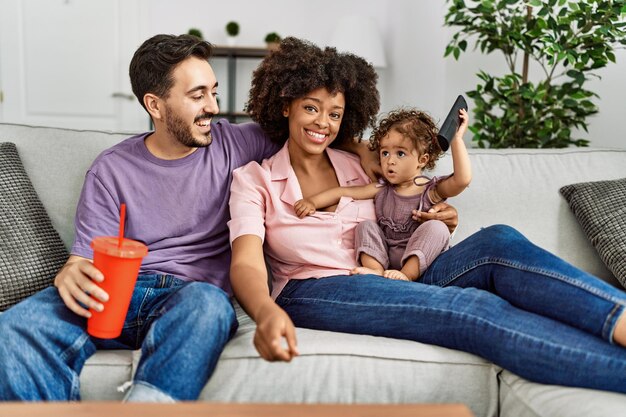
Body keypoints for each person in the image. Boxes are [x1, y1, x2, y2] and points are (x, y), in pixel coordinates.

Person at [0, 33, 391, 402]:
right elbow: (84, 259)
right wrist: (71, 269)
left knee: (208, 305)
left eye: (214, 92)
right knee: (13, 329)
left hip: (191, 297)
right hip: (118, 293)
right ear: (155, 105)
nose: (214, 107)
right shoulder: (110, 169)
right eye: (198, 95)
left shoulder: (238, 142)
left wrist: (363, 148)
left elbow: (313, 127)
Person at [228, 36, 626, 394]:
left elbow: (406, 177)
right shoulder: (254, 180)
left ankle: (620, 318)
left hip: (396, 268)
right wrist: (265, 313)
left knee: (499, 240)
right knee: (471, 310)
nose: (322, 123)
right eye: (310, 108)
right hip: (315, 288)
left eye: (335, 114)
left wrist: (438, 214)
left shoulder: (363, 161)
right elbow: (246, 261)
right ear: (284, 106)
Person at [294, 107, 471, 281]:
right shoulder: (381, 188)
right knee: (365, 226)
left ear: (422, 160)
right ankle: (375, 269)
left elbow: (462, 180)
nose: (390, 161)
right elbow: (344, 191)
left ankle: (408, 275)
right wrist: (312, 202)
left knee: (437, 228)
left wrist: (457, 139)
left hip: (419, 260)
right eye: (385, 153)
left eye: (400, 153)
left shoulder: (431, 190)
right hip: (388, 258)